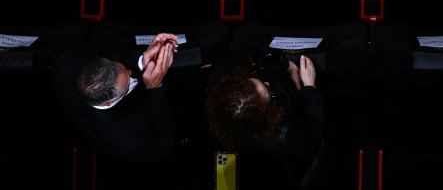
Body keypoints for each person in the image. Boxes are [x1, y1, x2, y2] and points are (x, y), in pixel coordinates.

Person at [54, 33, 178, 162]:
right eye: (128, 81)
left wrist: (141, 62)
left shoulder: (67, 62)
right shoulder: (129, 140)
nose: (130, 72)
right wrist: (155, 87)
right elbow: (165, 145)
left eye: (124, 69)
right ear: (109, 103)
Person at [206, 53, 323, 188]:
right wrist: (309, 86)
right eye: (268, 91)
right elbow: (315, 126)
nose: (267, 83)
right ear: (263, 116)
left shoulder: (218, 108)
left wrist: (286, 65)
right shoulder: (285, 136)